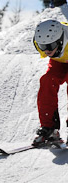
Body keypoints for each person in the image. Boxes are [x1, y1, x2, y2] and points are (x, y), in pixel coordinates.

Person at [32, 14, 68, 145]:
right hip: (59, 61)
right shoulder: (39, 42)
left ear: (59, 40)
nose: (46, 50)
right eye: (43, 46)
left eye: (50, 45)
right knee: (47, 81)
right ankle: (49, 127)